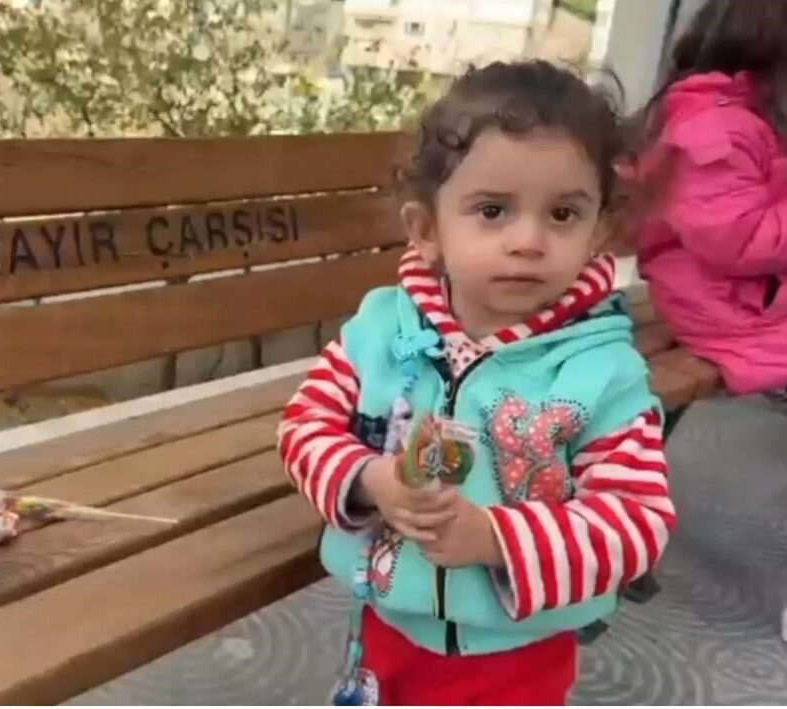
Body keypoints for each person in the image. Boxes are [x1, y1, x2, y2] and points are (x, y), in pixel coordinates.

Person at [277, 60, 676, 706]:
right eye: (493, 209)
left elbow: (636, 522)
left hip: (518, 657)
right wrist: (369, 479)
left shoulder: (603, 373)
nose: (529, 240)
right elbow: (304, 425)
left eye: (563, 213)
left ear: (598, 231)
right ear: (427, 230)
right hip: (384, 629)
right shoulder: (381, 331)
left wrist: (494, 539)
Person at [631, 0, 787, 663]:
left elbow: (746, 212)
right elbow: (743, 241)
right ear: (774, 45)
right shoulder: (712, 129)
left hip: (753, 301)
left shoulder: (734, 115)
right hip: (726, 310)